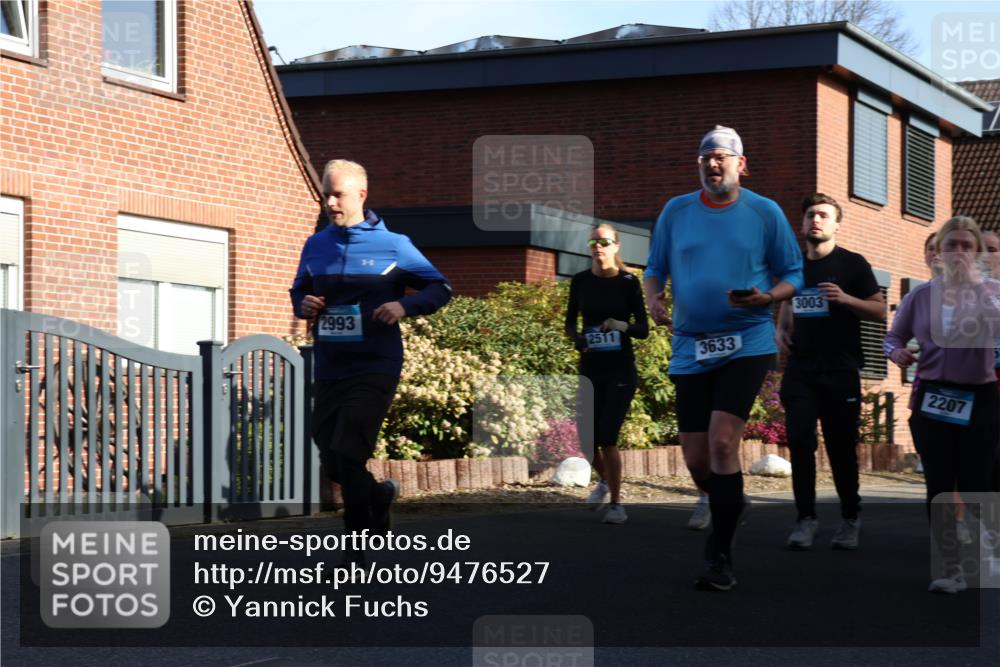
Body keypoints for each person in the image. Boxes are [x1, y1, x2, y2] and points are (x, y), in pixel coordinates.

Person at [644, 125, 803, 590]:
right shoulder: (676, 211)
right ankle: (730, 505)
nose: (713, 165)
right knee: (696, 460)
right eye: (705, 158)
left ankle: (721, 556)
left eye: (721, 157)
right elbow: (655, 267)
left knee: (720, 443)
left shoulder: (764, 212)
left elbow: (793, 273)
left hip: (747, 339)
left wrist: (768, 298)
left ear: (740, 163)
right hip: (691, 343)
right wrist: (654, 299)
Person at [290, 159, 451, 563]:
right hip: (331, 364)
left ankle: (357, 548)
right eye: (325, 193)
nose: (329, 202)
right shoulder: (316, 245)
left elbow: (439, 287)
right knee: (328, 453)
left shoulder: (394, 244)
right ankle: (378, 496)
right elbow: (299, 292)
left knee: (348, 451)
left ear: (361, 195)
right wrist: (304, 303)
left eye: (338, 194)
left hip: (375, 364)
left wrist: (404, 305)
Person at [884, 216, 1000, 593]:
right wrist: (897, 352)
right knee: (939, 484)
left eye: (968, 246)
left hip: (979, 397)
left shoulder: (992, 293)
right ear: (939, 252)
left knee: (976, 483)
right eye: (953, 245)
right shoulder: (920, 296)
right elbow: (892, 337)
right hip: (932, 397)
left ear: (978, 254)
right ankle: (950, 569)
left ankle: (988, 554)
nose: (960, 253)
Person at [775, 193, 886, 550]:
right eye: (810, 215)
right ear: (803, 223)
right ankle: (805, 519)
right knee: (800, 442)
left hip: (840, 369)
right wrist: (781, 330)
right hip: (802, 370)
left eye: (823, 215)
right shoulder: (794, 266)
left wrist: (846, 299)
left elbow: (880, 311)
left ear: (837, 224)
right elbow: (790, 303)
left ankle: (850, 517)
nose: (816, 221)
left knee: (840, 448)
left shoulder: (853, 264)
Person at [567, 224, 649, 524]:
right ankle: (604, 480)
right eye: (593, 241)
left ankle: (616, 504)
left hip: (620, 370)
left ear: (616, 246)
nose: (598, 246)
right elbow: (570, 323)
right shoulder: (580, 281)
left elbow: (643, 330)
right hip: (590, 367)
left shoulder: (628, 282)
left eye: (604, 241)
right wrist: (580, 342)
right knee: (587, 442)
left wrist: (619, 325)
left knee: (608, 436)